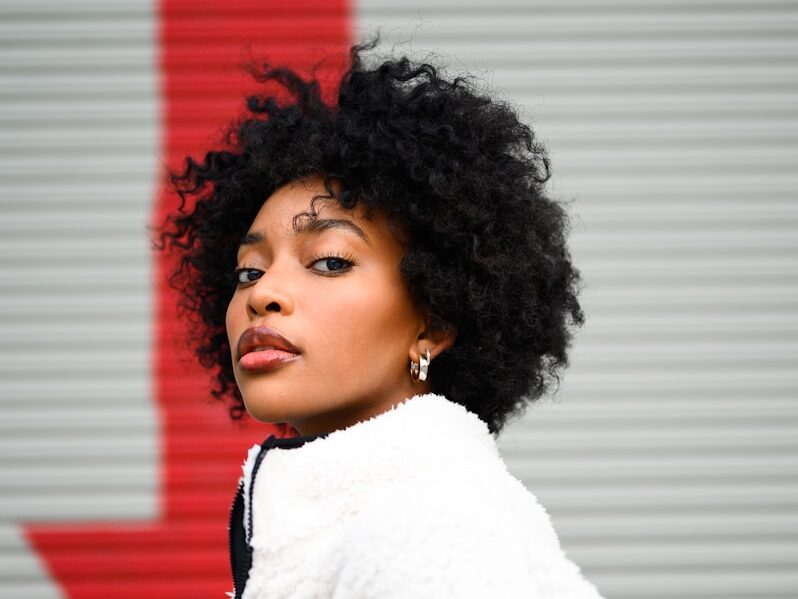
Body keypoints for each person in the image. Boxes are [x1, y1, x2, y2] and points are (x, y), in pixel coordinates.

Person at [156, 34, 604, 599]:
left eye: (329, 261)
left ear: (434, 322)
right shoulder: (372, 524)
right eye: (248, 271)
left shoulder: (440, 534)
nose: (263, 293)